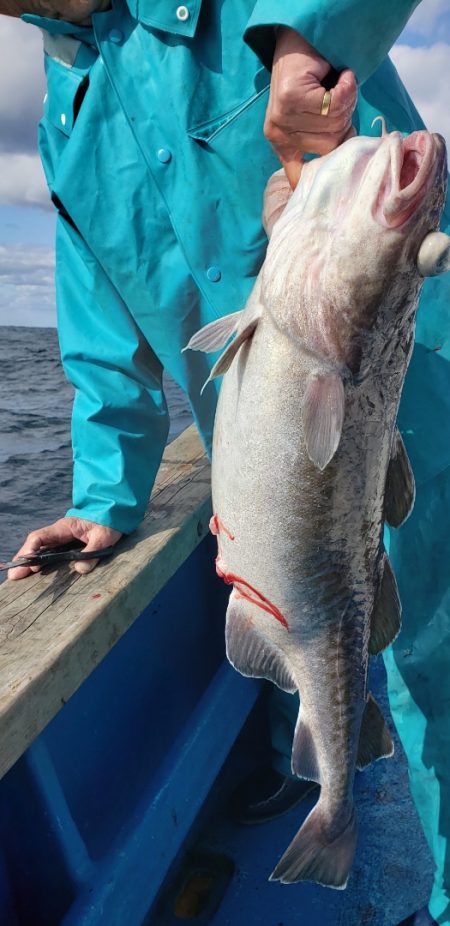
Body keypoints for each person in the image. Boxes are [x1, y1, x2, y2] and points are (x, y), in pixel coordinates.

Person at [2, 1, 449, 922]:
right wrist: (104, 495)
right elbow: (97, 334)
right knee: (356, 648)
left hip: (411, 393)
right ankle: (329, 790)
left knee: (441, 669)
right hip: (273, 465)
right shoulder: (62, 118)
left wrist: (301, 38)